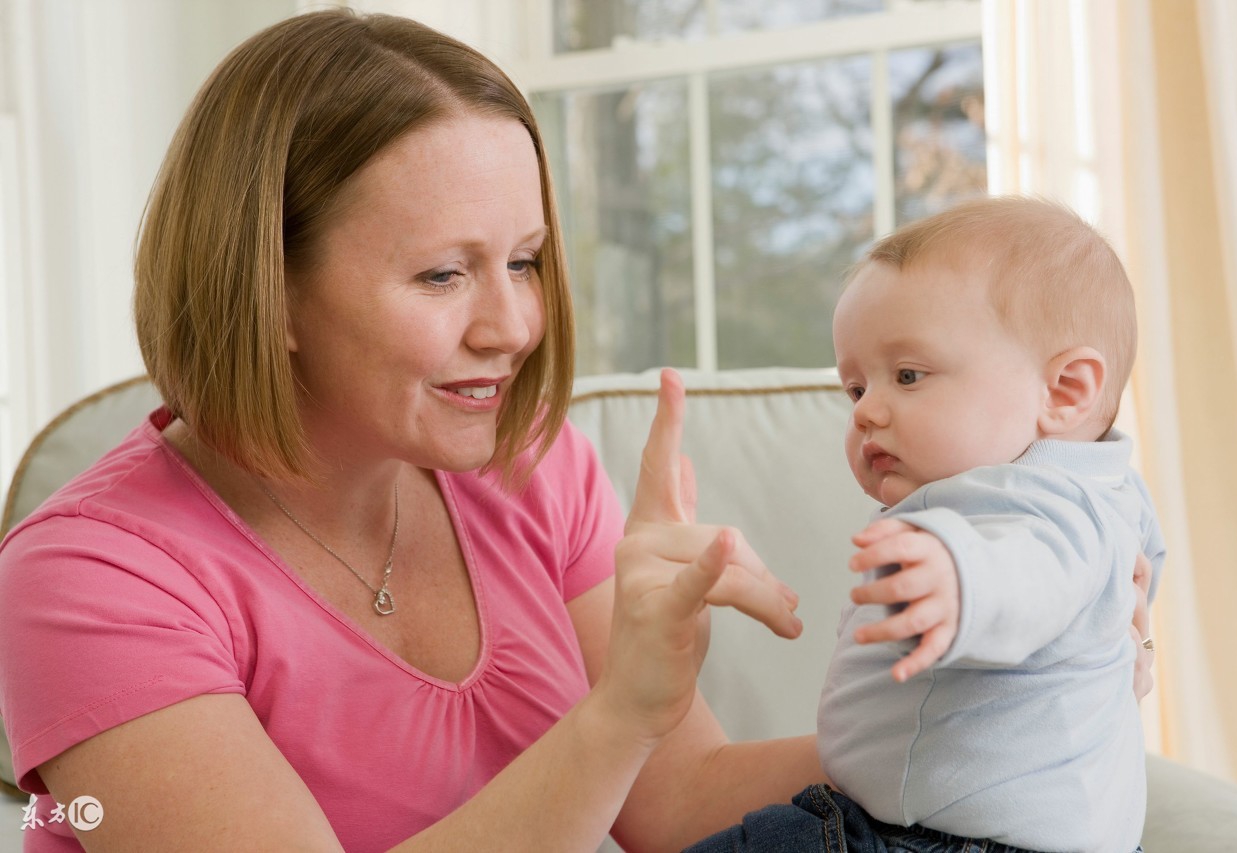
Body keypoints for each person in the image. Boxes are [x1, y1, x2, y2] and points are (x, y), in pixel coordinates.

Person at [0, 10, 815, 851]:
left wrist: (927, 727)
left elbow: (680, 805)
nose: (512, 327)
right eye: (443, 274)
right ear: (269, 290)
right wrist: (618, 718)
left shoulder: (528, 464)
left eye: (524, 261)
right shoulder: (90, 578)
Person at [688, 196, 1164, 853]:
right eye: (855, 388)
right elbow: (1130, 574)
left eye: (908, 375)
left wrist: (962, 576)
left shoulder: (1042, 502)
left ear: (1064, 391)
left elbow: (1026, 568)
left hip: (934, 840)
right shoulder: (1110, 493)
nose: (866, 411)